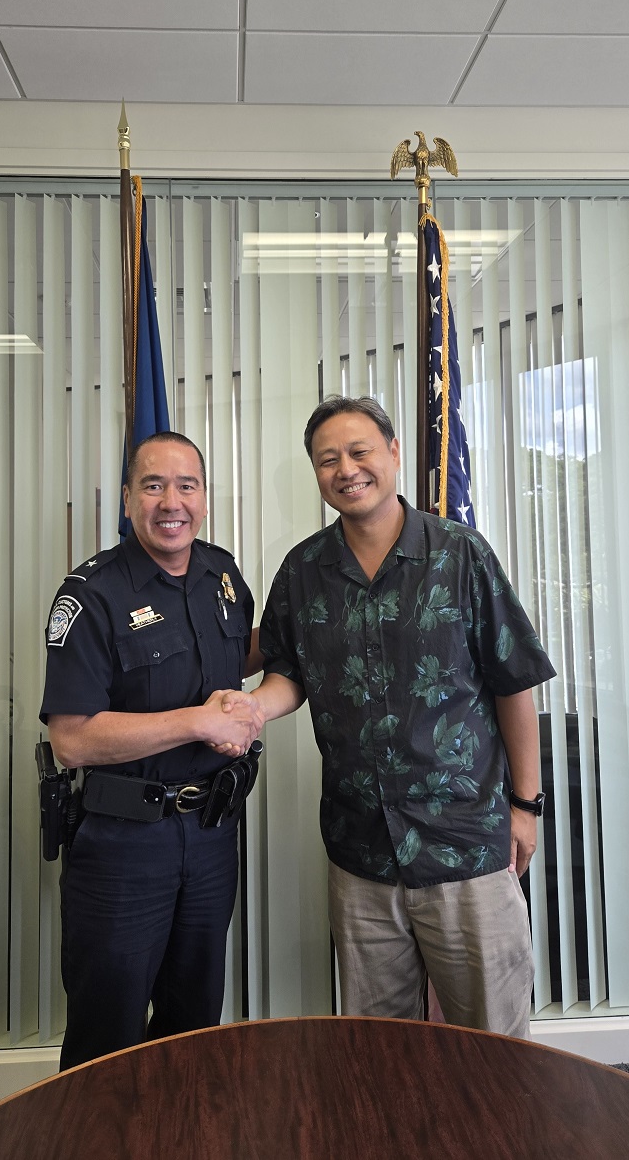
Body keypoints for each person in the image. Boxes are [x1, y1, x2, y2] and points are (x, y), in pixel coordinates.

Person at [230, 396, 555, 1038]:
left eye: (360, 451)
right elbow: (288, 671)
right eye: (328, 460)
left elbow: (514, 681)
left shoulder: (461, 554)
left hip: (464, 840)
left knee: (494, 1044)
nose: (346, 470)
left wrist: (526, 806)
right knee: (378, 1048)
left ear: (394, 452)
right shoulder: (303, 570)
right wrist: (251, 708)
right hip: (362, 853)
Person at [39, 431, 263, 1070]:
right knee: (106, 1037)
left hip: (212, 834)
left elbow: (231, 657)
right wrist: (198, 721)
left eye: (186, 486)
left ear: (205, 498)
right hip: (123, 845)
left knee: (193, 1026)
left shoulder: (221, 575)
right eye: (154, 486)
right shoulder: (92, 595)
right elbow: (72, 739)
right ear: (128, 498)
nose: (172, 503)